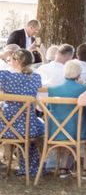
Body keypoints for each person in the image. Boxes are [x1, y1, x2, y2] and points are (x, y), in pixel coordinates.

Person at [0, 49, 45, 177]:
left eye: (11, 59)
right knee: (42, 127)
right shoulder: (36, 78)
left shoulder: (5, 76)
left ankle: (21, 166)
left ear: (17, 61)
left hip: (5, 128)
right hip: (28, 128)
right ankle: (34, 166)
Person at [47, 60, 86, 178]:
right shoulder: (83, 88)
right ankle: (85, 170)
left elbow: (49, 109)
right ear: (78, 74)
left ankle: (63, 168)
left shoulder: (53, 89)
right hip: (77, 131)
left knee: (68, 128)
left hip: (56, 131)